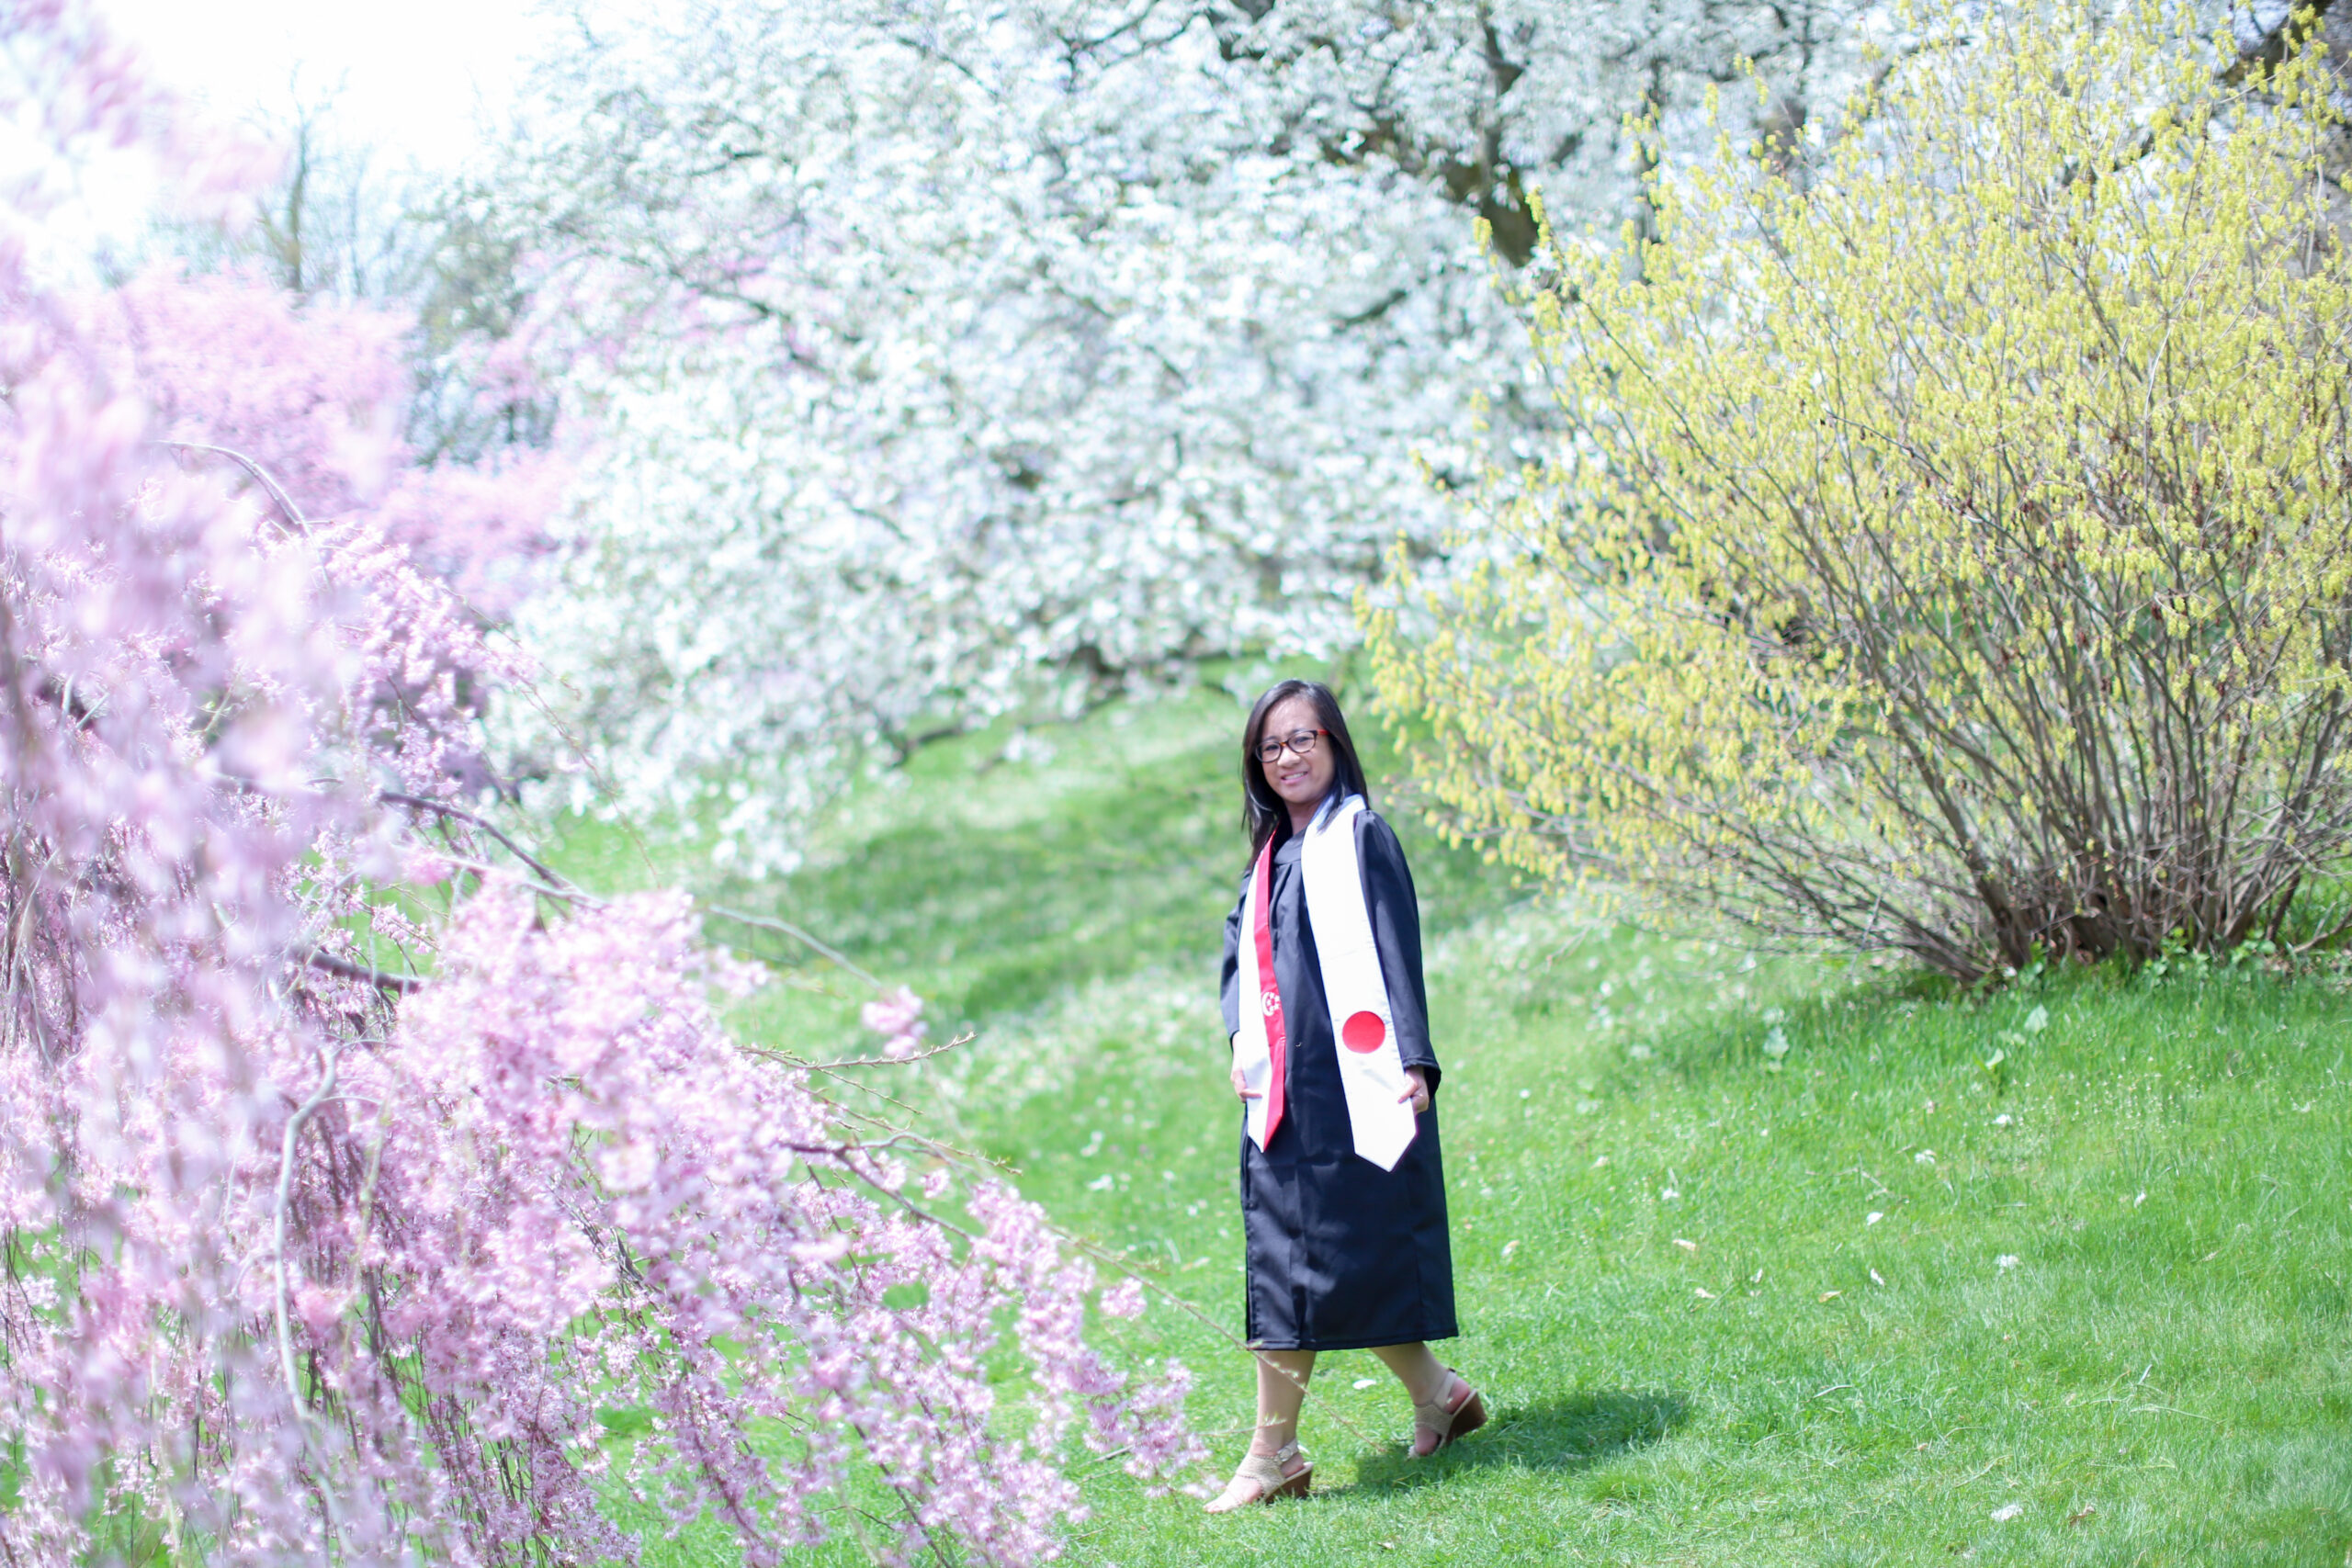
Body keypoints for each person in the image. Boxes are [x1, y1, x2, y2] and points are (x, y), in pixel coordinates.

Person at [1204, 678, 1483, 1513]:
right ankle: (1437, 1394)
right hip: (1285, 1091)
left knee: (1337, 1256)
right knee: (1296, 1261)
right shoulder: (1267, 862)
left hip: (1357, 1087)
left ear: (1334, 742)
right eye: (1272, 746)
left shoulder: (1358, 836)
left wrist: (1415, 1061)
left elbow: (1398, 947)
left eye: (1304, 739)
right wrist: (1238, 1040)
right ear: (1257, 763)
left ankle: (1271, 1454)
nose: (1289, 756)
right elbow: (1237, 966)